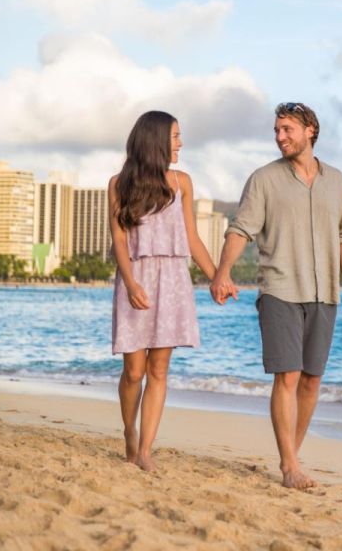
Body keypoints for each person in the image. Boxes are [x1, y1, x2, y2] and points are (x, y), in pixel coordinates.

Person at [210, 101, 342, 489]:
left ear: (310, 129)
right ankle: (290, 466)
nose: (279, 137)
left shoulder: (337, 181)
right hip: (279, 288)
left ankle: (290, 455)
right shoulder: (263, 179)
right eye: (276, 130)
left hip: (324, 291)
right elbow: (240, 229)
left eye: (287, 129)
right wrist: (222, 272)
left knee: (312, 379)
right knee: (288, 376)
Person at [108, 110, 217, 472]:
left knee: (158, 370)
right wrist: (131, 282)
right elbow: (120, 242)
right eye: (175, 136)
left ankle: (146, 450)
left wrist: (218, 276)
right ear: (155, 140)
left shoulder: (182, 182)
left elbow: (192, 238)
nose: (180, 143)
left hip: (172, 281)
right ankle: (129, 431)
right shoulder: (118, 184)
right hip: (135, 278)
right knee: (134, 372)